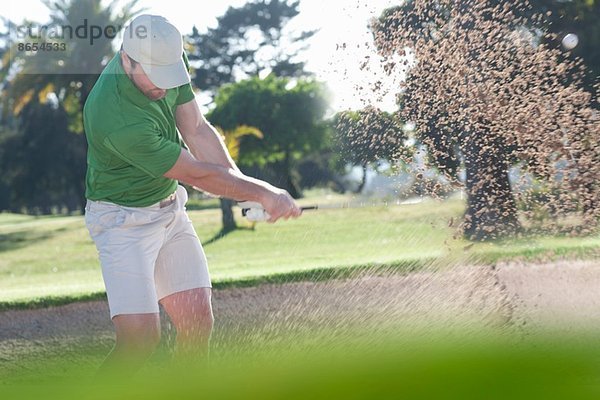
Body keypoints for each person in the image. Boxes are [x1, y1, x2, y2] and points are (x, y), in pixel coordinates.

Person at [83, 14, 301, 374]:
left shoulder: (164, 59)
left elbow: (197, 130)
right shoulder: (115, 117)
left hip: (169, 211)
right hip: (122, 221)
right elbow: (197, 175)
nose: (164, 89)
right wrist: (264, 192)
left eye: (169, 75)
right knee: (139, 341)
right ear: (126, 59)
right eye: (155, 77)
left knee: (198, 322)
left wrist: (244, 192)